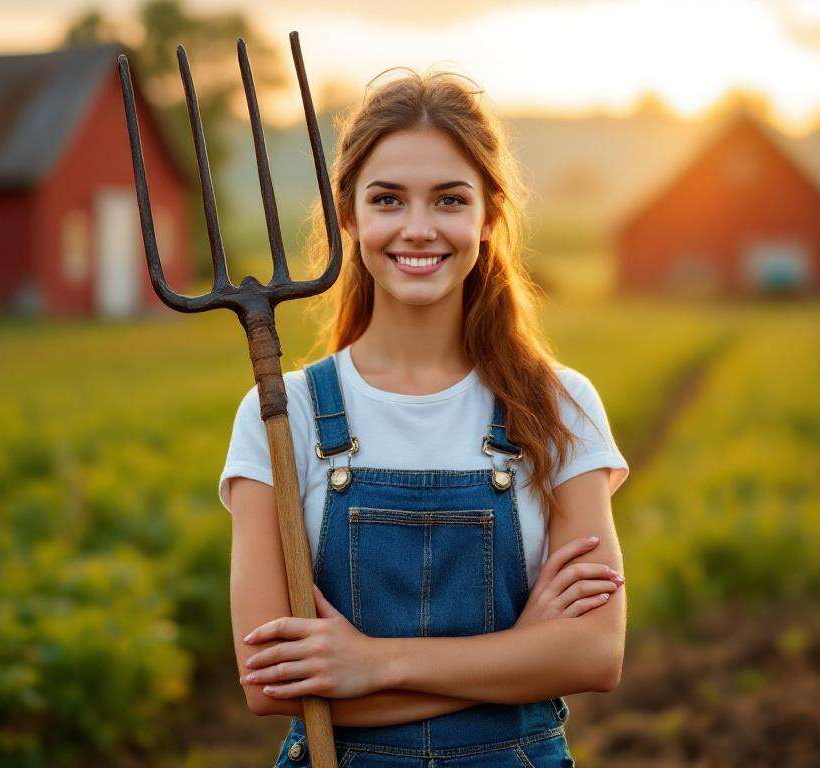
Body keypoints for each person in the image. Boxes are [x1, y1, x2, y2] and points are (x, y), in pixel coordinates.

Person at [218, 66, 629, 767]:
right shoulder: (279, 416)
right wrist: (520, 656)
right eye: (387, 200)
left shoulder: (556, 406)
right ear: (348, 216)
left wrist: (372, 664)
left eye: (448, 200)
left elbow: (593, 653)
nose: (417, 228)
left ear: (488, 216)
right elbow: (270, 682)